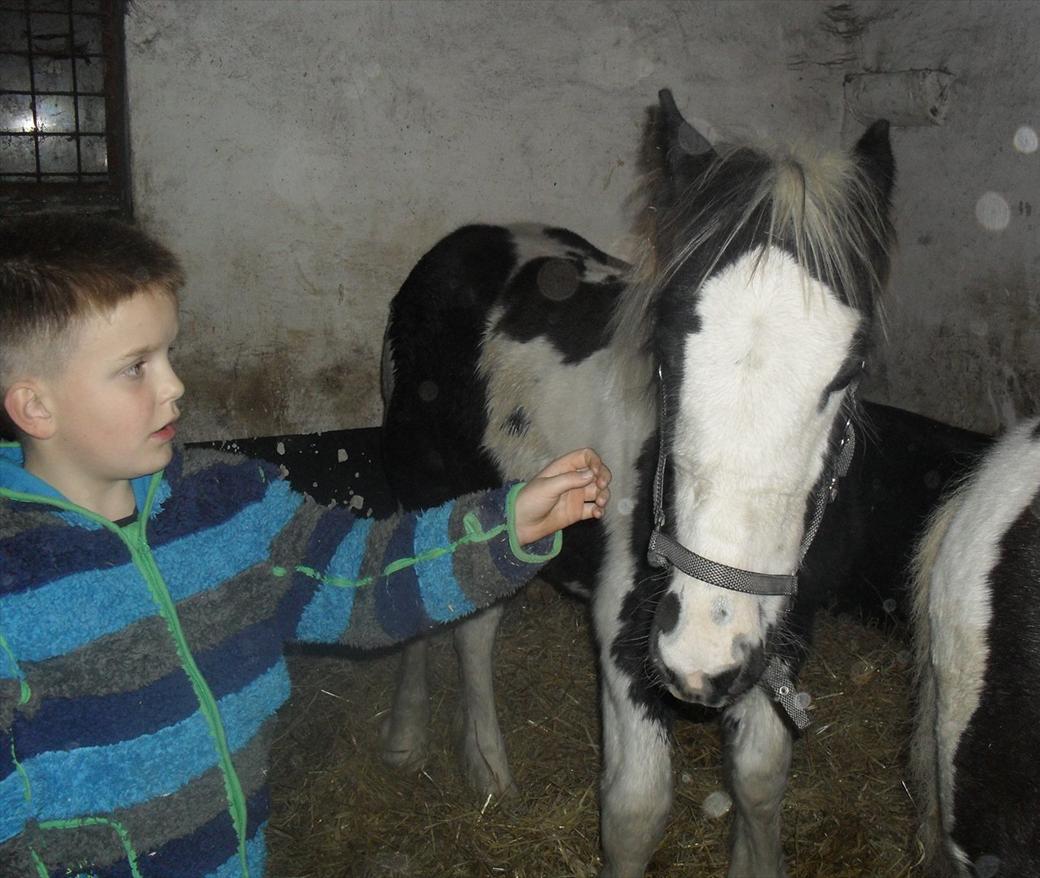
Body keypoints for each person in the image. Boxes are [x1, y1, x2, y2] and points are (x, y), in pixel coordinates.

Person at [0, 213, 611, 877]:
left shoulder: (227, 507)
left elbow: (360, 576)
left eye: (170, 354)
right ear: (36, 407)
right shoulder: (14, 586)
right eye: (135, 368)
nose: (175, 385)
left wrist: (506, 526)